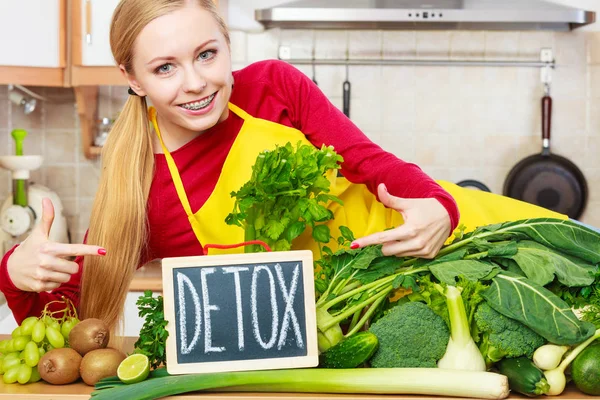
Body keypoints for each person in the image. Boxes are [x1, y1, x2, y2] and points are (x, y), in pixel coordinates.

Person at [0, 0, 564, 332]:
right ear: (133, 78)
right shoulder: (141, 191)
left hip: (450, 242)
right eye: (165, 68)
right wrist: (18, 268)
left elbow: (370, 162)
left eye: (206, 55)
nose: (196, 83)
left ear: (226, 45)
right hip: (364, 326)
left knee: (571, 262)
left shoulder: (275, 87)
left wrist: (436, 206)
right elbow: (67, 312)